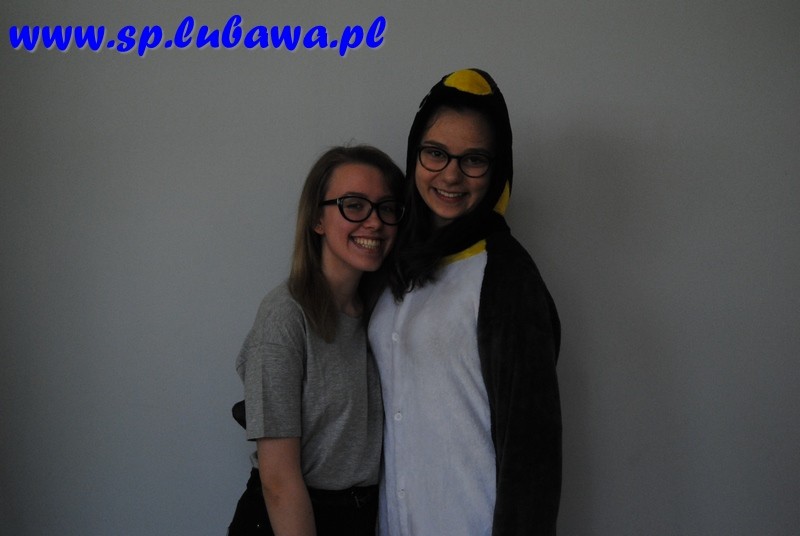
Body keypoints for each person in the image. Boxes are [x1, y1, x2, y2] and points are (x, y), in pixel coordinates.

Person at [368, 69, 562, 535]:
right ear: (415, 155)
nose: (451, 174)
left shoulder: (507, 276)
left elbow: (532, 451)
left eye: (473, 159)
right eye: (435, 153)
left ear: (497, 171)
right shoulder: (392, 263)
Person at [228, 145, 405, 536]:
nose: (374, 222)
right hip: (289, 519)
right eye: (354, 205)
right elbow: (279, 482)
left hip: (361, 517)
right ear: (317, 219)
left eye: (387, 208)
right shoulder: (285, 316)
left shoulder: (382, 316)